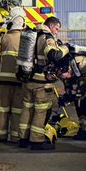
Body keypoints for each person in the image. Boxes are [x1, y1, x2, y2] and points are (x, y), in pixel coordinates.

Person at [20, 15, 66, 152]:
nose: (57, 32)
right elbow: (54, 55)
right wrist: (65, 48)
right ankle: (37, 140)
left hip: (28, 79)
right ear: (51, 26)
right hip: (41, 82)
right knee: (41, 111)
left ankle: (23, 138)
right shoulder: (47, 37)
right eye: (56, 29)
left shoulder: (32, 34)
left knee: (27, 109)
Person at [0, 13, 26, 143]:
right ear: (23, 26)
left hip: (2, 81)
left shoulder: (3, 38)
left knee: (2, 109)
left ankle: (0, 135)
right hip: (20, 81)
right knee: (17, 110)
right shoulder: (26, 40)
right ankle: (15, 136)